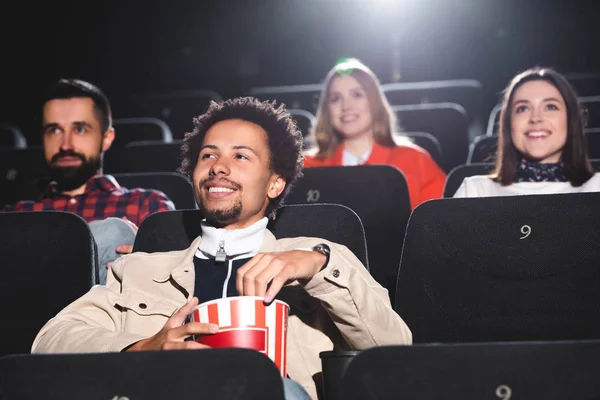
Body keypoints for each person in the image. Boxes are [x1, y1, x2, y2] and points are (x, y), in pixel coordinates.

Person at [32, 97, 412, 400]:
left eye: (241, 156)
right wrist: (142, 349)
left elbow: (397, 351)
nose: (219, 167)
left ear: (275, 184)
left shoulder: (320, 260)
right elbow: (49, 341)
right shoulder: (138, 270)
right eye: (208, 155)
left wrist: (317, 265)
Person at [1, 79, 175, 283]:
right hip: (30, 311)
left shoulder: (145, 204)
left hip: (117, 310)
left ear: (107, 137)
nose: (65, 145)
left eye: (80, 129)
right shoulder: (15, 216)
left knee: (115, 232)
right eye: (54, 130)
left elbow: (181, 276)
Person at [304, 58, 446, 210]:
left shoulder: (416, 160)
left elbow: (443, 221)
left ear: (374, 102)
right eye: (336, 99)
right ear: (327, 109)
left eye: (357, 95)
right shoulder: (306, 166)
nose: (346, 106)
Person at [454, 67, 600, 197]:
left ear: (571, 120)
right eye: (522, 109)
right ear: (508, 124)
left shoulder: (596, 187)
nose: (536, 118)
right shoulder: (476, 191)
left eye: (550, 107)